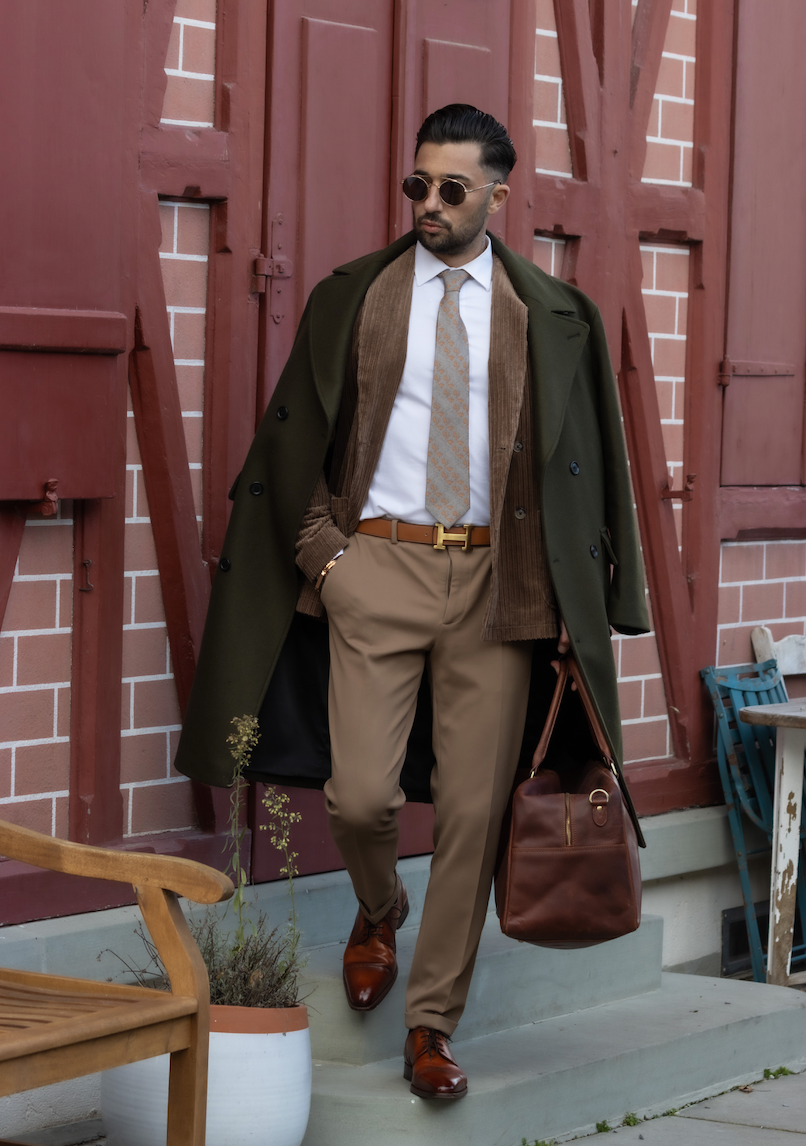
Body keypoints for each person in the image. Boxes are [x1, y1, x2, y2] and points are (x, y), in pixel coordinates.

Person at [175, 104, 649, 1100]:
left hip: (497, 585)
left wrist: (596, 596)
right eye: (415, 187)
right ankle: (378, 906)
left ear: (497, 197)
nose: (427, 205)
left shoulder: (551, 314)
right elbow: (293, 443)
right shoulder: (354, 296)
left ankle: (430, 1024)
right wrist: (328, 563)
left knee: (474, 817)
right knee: (357, 796)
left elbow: (595, 466)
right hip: (374, 572)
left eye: (451, 190)